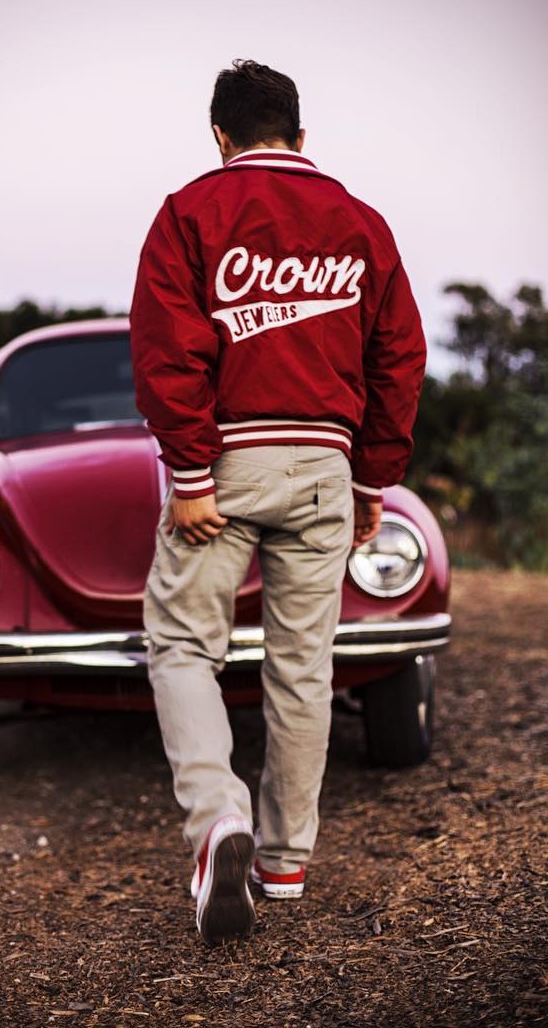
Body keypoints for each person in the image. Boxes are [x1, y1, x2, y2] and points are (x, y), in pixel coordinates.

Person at [129, 59, 426, 945]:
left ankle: (218, 819)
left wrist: (188, 475)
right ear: (299, 135)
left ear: (219, 135)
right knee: (305, 666)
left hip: (227, 461)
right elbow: (399, 360)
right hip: (325, 466)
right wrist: (373, 477)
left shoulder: (191, 211)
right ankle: (285, 859)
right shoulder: (362, 223)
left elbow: (165, 350)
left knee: (183, 642)